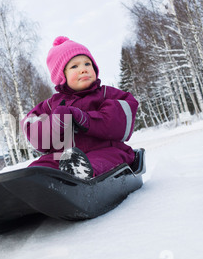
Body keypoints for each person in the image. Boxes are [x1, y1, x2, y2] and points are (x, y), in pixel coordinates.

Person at [20, 36, 138, 180]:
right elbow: (32, 127)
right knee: (39, 169)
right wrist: (54, 125)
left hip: (105, 150)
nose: (83, 69)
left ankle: (81, 177)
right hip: (62, 156)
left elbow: (120, 120)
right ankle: (18, 187)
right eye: (74, 66)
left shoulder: (107, 94)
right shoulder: (51, 105)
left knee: (100, 161)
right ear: (61, 76)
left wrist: (86, 119)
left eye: (88, 64)